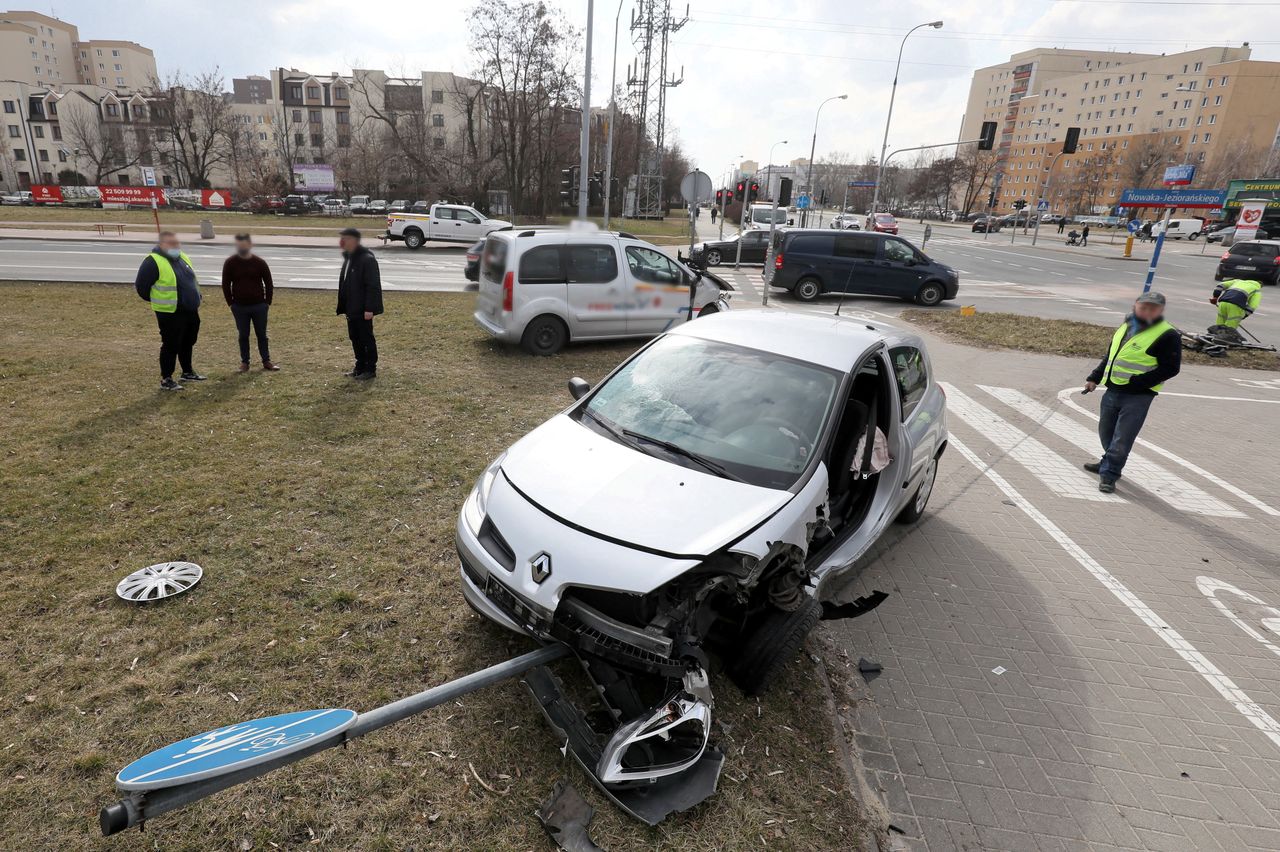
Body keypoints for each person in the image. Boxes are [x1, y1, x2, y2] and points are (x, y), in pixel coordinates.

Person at [1082, 291, 1181, 493]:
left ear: (1161, 311)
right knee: (1106, 432)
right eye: (1143, 307)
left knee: (1122, 438)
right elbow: (1111, 355)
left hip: (1139, 395)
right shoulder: (1126, 326)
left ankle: (1109, 475)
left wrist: (1138, 383)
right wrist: (1094, 378)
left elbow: (1171, 368)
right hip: (1112, 389)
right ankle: (1107, 461)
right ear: (1135, 306)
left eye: (1152, 308)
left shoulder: (1167, 334)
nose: (1147, 311)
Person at [135, 230, 204, 391]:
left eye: (177, 243)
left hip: (189, 309)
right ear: (162, 244)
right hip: (169, 312)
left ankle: (187, 372)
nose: (176, 246)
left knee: (188, 341)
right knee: (171, 344)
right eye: (171, 244)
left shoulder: (182, 257)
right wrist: (160, 301)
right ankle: (167, 378)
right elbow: (142, 288)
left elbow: (191, 280)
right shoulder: (153, 261)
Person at [222, 233, 279, 372]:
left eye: (245, 244)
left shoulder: (259, 262)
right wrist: (231, 303)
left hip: (259, 306)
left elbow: (269, 283)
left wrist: (267, 302)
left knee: (262, 334)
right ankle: (245, 362)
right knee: (243, 335)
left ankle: (266, 361)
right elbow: (225, 284)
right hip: (240, 307)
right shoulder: (230, 263)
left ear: (250, 245)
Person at [337, 227, 383, 380]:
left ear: (354, 240)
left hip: (363, 309)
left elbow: (373, 286)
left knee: (365, 338)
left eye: (346, 238)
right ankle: (360, 366)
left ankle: (370, 369)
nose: (342, 241)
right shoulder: (350, 258)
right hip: (351, 308)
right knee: (355, 338)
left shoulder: (366, 259)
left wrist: (369, 308)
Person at [1209, 277, 1262, 343]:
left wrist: (1215, 297)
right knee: (1230, 326)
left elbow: (1220, 285)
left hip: (1223, 302)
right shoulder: (1257, 289)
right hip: (1236, 306)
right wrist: (1244, 315)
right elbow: (1252, 306)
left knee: (1220, 321)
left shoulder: (1238, 281)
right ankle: (1224, 341)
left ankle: (1215, 337)